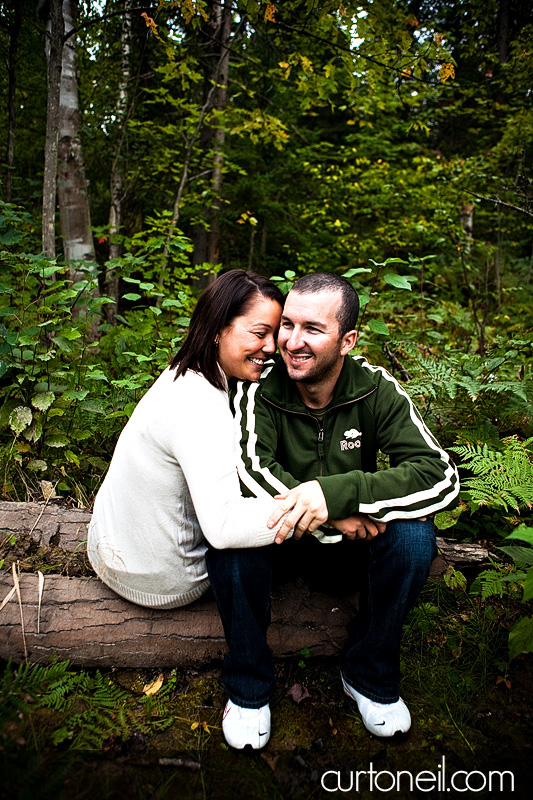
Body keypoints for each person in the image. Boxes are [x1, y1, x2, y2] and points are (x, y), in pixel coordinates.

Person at [207, 272, 460, 749]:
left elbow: (439, 475)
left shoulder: (374, 388)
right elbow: (252, 472)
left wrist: (336, 494)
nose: (291, 342)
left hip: (352, 546)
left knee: (413, 540)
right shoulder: (258, 386)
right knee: (230, 548)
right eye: (287, 325)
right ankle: (247, 688)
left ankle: (368, 675)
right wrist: (326, 513)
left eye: (313, 329)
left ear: (348, 340)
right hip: (280, 541)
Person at [87, 269, 309, 611]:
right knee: (302, 537)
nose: (271, 347)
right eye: (259, 333)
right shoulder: (199, 406)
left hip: (108, 549)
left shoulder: (184, 372)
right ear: (219, 328)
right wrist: (320, 509)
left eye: (273, 334)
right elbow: (222, 528)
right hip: (162, 581)